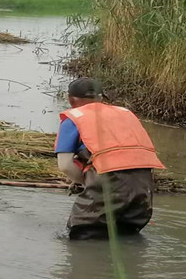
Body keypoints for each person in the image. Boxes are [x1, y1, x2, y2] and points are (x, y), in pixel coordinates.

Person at [54, 78, 165, 240]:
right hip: (143, 186)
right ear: (101, 98)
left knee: (82, 236)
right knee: (126, 239)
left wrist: (84, 181)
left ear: (71, 99)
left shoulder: (74, 118)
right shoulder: (125, 113)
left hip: (106, 186)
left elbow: (65, 165)